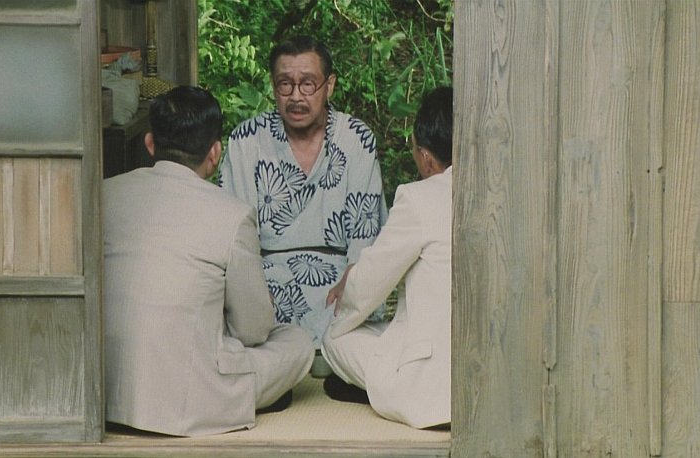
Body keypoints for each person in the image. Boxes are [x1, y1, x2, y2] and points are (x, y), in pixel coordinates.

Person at [103, 86, 314, 437]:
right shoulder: (231, 214)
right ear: (215, 153)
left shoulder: (106, 193)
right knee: (297, 343)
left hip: (106, 392)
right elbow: (253, 331)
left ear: (150, 143)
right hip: (189, 401)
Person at [219, 35, 388, 347]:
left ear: (329, 85)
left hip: (341, 275)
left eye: (308, 84)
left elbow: (366, 229)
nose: (296, 96)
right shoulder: (246, 140)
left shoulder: (356, 138)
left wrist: (353, 278)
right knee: (243, 326)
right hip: (265, 277)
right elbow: (234, 235)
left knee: (356, 327)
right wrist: (251, 290)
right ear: (273, 86)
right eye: (285, 84)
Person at [320, 85, 454, 429]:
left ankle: (377, 388)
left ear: (426, 157)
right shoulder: (503, 193)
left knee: (334, 340)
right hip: (496, 372)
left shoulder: (419, 198)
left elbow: (367, 285)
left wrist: (344, 307)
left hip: (433, 390)